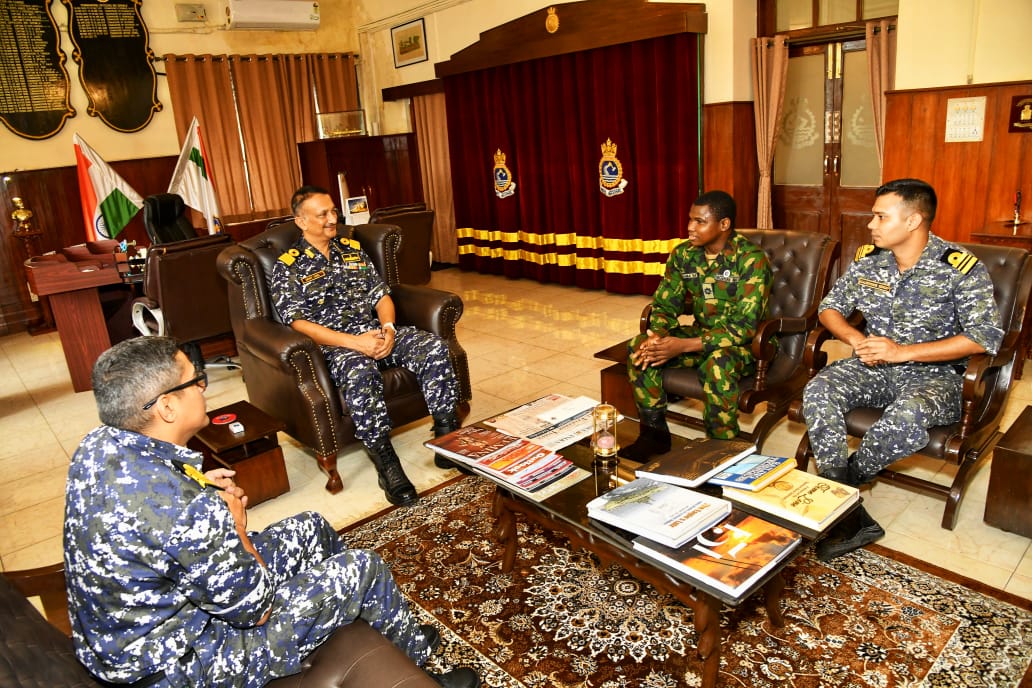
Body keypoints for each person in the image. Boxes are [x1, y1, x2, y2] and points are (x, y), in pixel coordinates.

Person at [63, 336, 480, 688]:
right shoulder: (188, 511)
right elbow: (254, 608)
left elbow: (151, 510)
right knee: (362, 568)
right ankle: (421, 667)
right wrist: (235, 527)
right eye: (196, 380)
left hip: (135, 635)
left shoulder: (100, 443)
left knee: (311, 528)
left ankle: (390, 637)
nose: (205, 388)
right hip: (180, 665)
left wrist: (201, 483)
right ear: (167, 407)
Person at [801, 178, 1004, 561]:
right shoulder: (869, 261)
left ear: (913, 221)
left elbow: (983, 338)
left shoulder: (959, 268)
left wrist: (904, 352)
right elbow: (830, 308)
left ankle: (841, 487)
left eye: (880, 216)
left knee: (907, 415)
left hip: (937, 375)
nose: (871, 225)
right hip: (874, 365)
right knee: (818, 390)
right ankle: (848, 510)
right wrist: (853, 339)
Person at [268, 185, 462, 507]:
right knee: (360, 373)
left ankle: (447, 437)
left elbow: (381, 296)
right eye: (323, 214)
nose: (333, 218)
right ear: (301, 221)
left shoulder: (352, 250)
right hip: (337, 347)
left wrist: (387, 329)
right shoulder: (289, 266)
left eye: (333, 211)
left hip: (375, 333)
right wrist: (353, 343)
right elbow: (297, 323)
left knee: (435, 348)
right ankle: (386, 462)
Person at [622, 190, 773, 461]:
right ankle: (654, 435)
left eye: (700, 221)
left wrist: (682, 346)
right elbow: (666, 303)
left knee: (718, 363)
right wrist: (657, 335)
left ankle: (722, 449)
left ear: (724, 225)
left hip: (747, 346)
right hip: (702, 334)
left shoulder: (750, 259)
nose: (690, 227)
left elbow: (745, 327)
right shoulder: (684, 255)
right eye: (690, 220)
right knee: (640, 347)